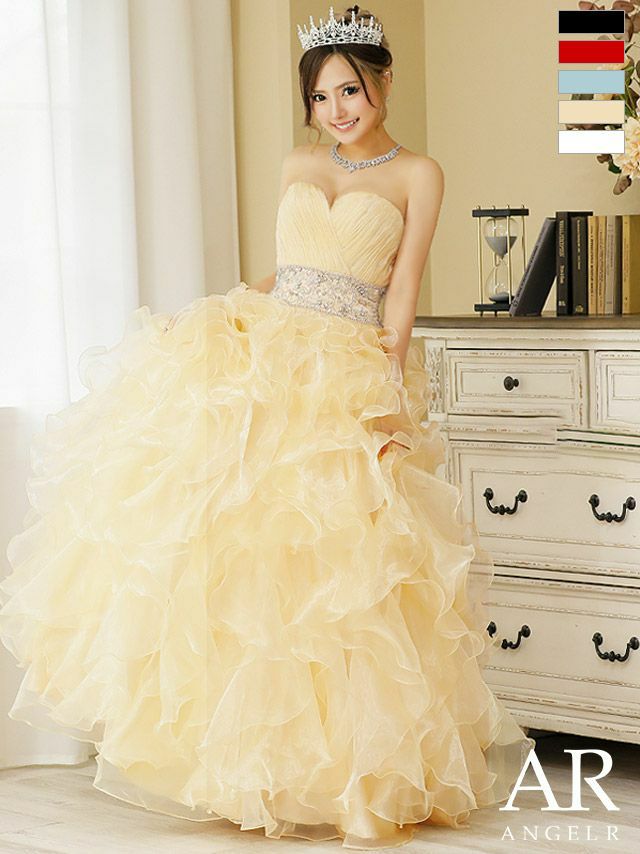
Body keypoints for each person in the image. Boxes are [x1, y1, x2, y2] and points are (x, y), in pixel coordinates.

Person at [0, 4, 535, 850]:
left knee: (344, 571)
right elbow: (289, 273)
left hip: (348, 363)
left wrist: (385, 393)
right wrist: (222, 310)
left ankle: (357, 778)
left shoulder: (418, 174)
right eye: (321, 97)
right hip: (270, 351)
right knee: (246, 560)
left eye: (349, 91)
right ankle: (250, 771)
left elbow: (400, 291)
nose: (337, 110)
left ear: (383, 83)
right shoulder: (298, 163)